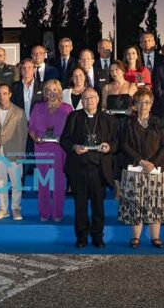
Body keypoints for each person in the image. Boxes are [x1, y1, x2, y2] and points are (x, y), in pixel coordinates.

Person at [60, 87, 118, 248]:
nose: (89, 101)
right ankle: (81, 237)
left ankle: (98, 237)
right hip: (79, 169)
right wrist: (74, 147)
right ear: (81, 102)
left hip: (99, 170)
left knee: (98, 206)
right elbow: (64, 140)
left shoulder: (108, 119)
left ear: (98, 99)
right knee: (80, 206)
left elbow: (116, 142)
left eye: (92, 98)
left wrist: (109, 147)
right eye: (85, 98)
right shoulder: (73, 117)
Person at [116, 88, 164, 248]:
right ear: (135, 105)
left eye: (147, 102)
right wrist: (140, 161)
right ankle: (136, 237)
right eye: (140, 102)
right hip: (135, 170)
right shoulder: (127, 122)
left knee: (156, 203)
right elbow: (124, 145)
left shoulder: (159, 122)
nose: (143, 105)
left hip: (156, 170)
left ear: (152, 104)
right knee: (136, 203)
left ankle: (156, 237)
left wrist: (152, 162)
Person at [29, 80, 72, 222]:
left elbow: (71, 130)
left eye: (55, 90)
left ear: (59, 92)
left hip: (59, 149)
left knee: (59, 182)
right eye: (49, 90)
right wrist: (35, 138)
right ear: (45, 93)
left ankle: (58, 213)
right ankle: (44, 213)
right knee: (43, 181)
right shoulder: (38, 107)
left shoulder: (67, 108)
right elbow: (31, 129)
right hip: (41, 148)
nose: (52, 93)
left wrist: (64, 139)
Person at [0, 84, 28, 220]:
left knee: (16, 183)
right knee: (0, 183)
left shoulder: (19, 112)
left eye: (5, 93)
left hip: (14, 153)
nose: (2, 96)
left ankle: (16, 208)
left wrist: (20, 154)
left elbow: (23, 135)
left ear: (10, 94)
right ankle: (3, 209)